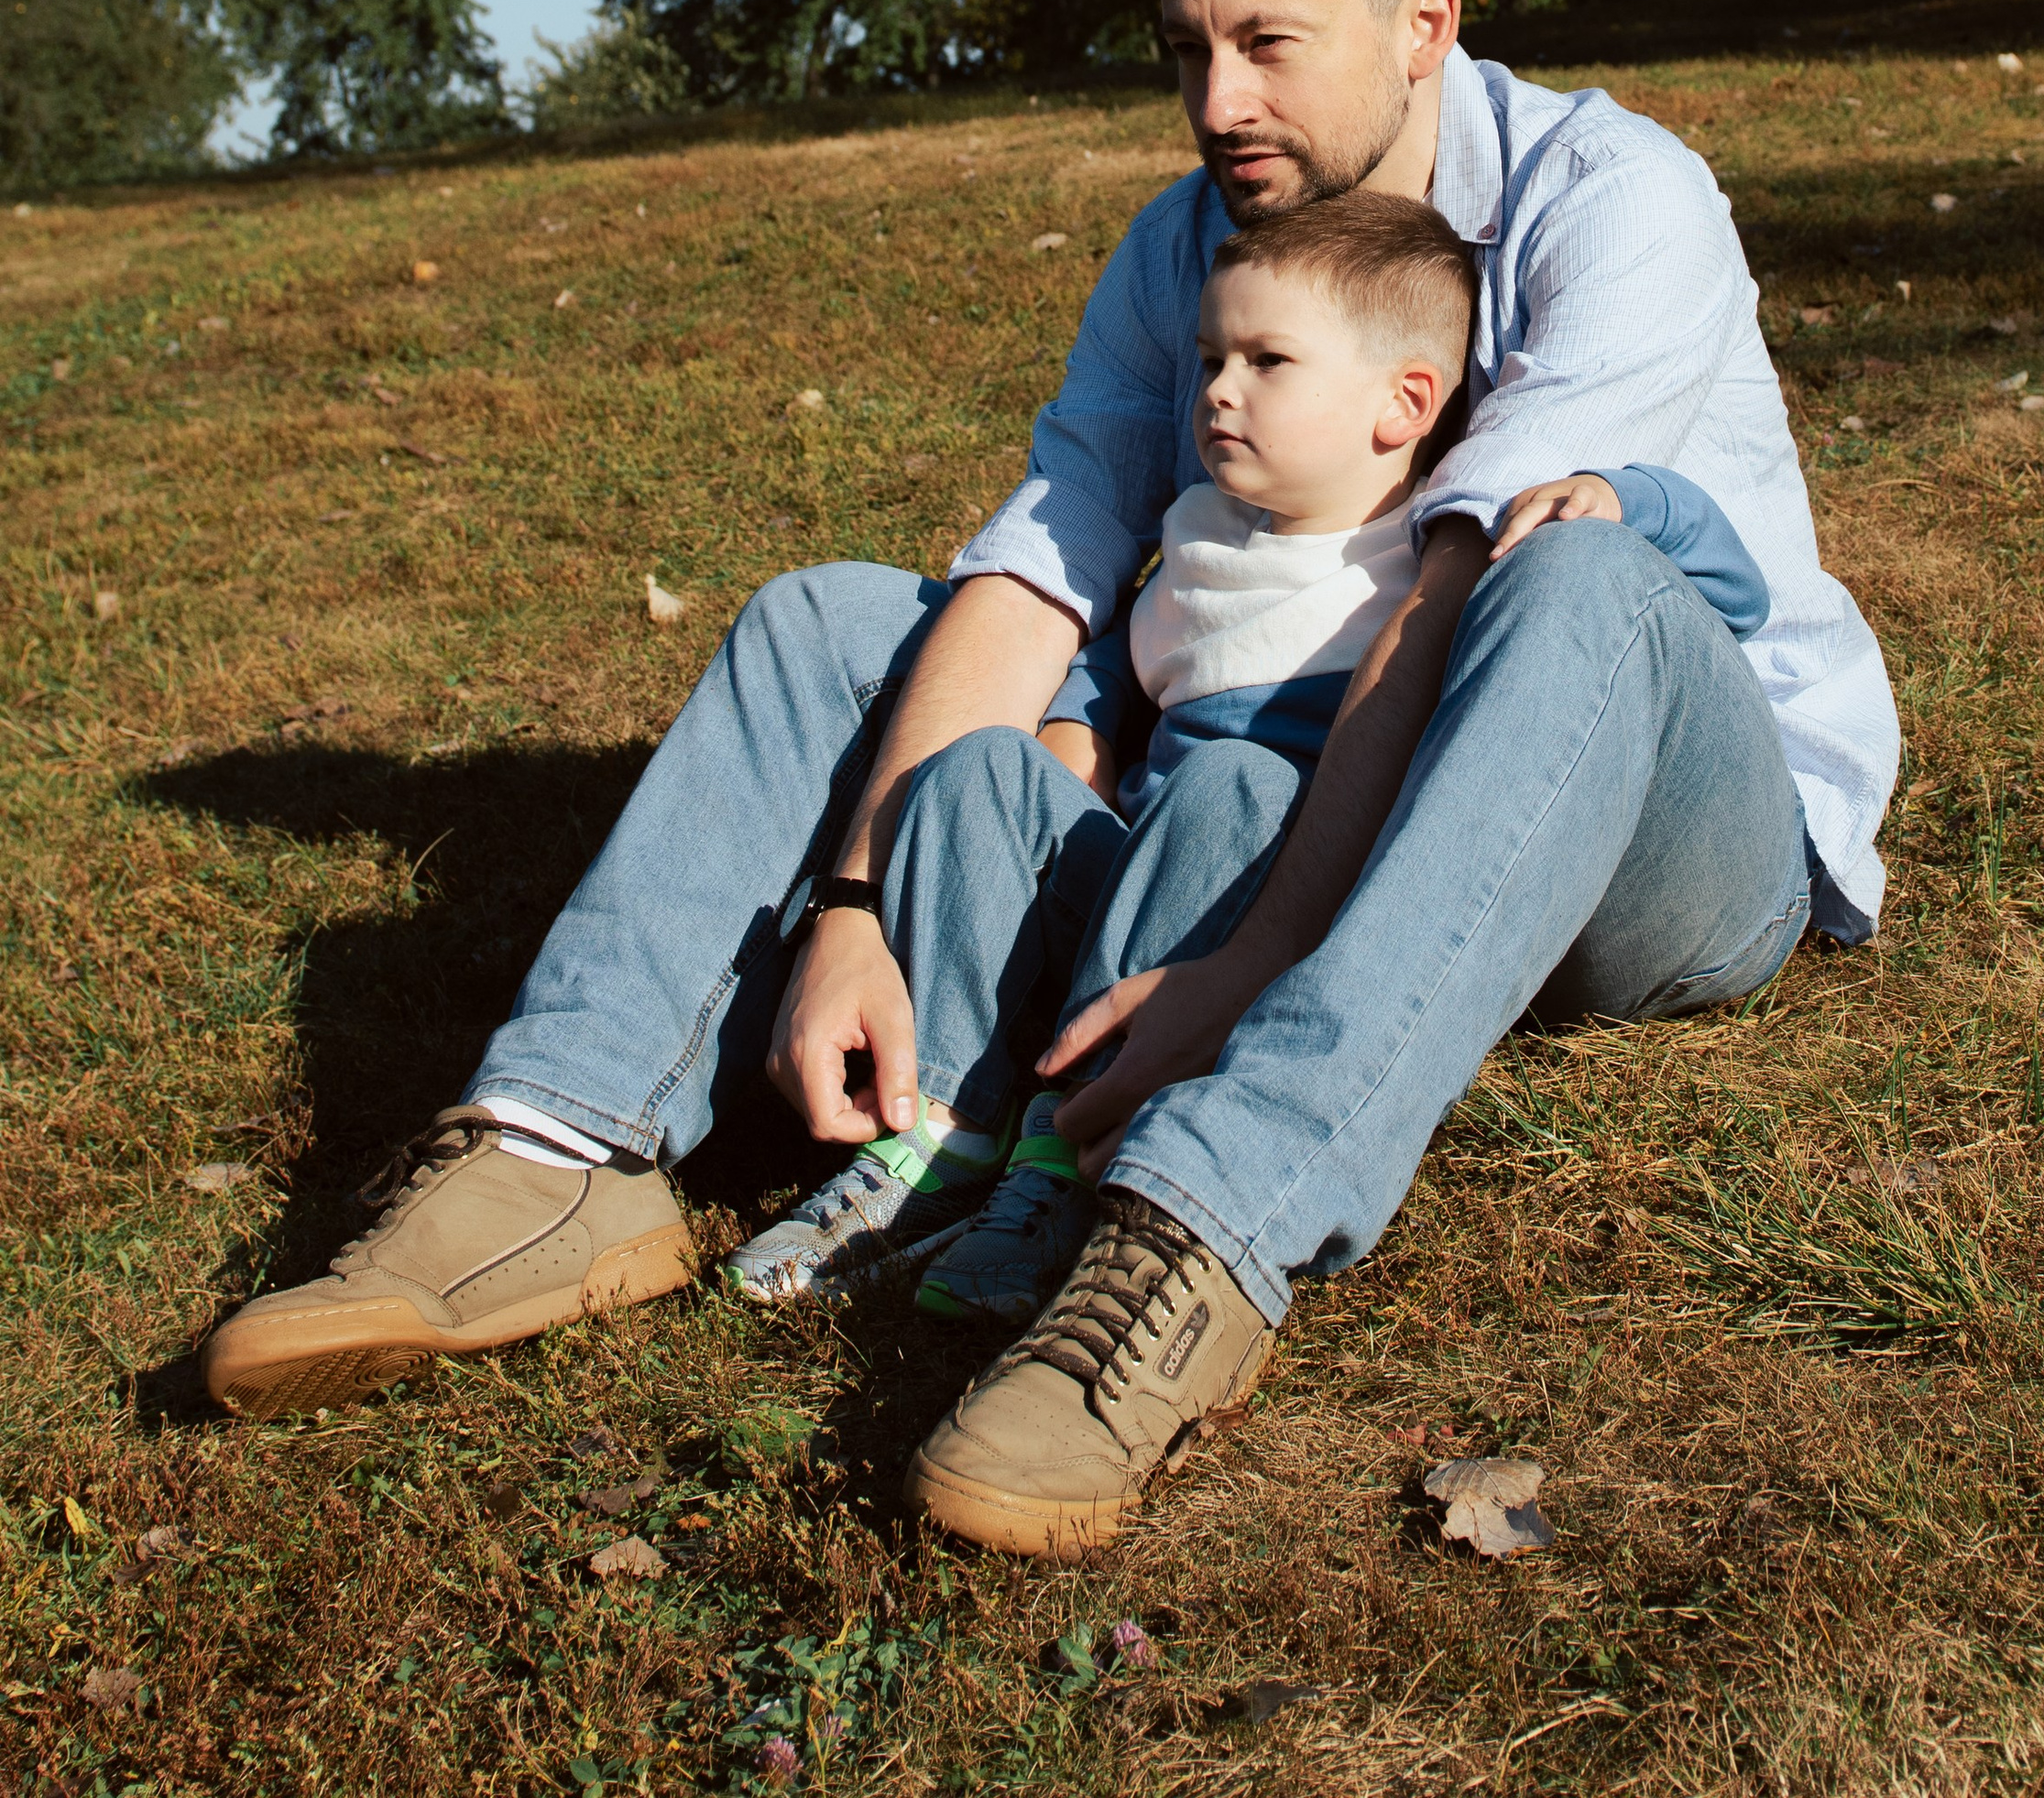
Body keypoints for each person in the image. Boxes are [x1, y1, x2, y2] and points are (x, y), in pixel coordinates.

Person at [199, 0, 1899, 1557]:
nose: (1216, 101)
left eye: (1266, 45)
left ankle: (1199, 1234)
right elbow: (1045, 563)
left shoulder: (1611, 201)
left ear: (1424, 25)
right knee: (830, 619)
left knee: (1572, 568)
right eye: (1185, 48)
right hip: (1303, 792)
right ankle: (561, 1145)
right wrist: (857, 896)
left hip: (1659, 829)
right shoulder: (1191, 247)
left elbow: (1451, 604)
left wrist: (1248, 961)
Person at [724, 187, 1781, 1335]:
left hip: (1292, 916)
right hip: (1140, 898)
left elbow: (1725, 587)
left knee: (1236, 785)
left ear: (1404, 401)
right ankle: (941, 1126)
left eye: (1267, 360)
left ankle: (1057, 1163)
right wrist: (1072, 750)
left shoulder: (1431, 550)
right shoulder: (1191, 535)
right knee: (978, 762)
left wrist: (1628, 496)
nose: (1219, 389)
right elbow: (1103, 670)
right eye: (1212, 355)